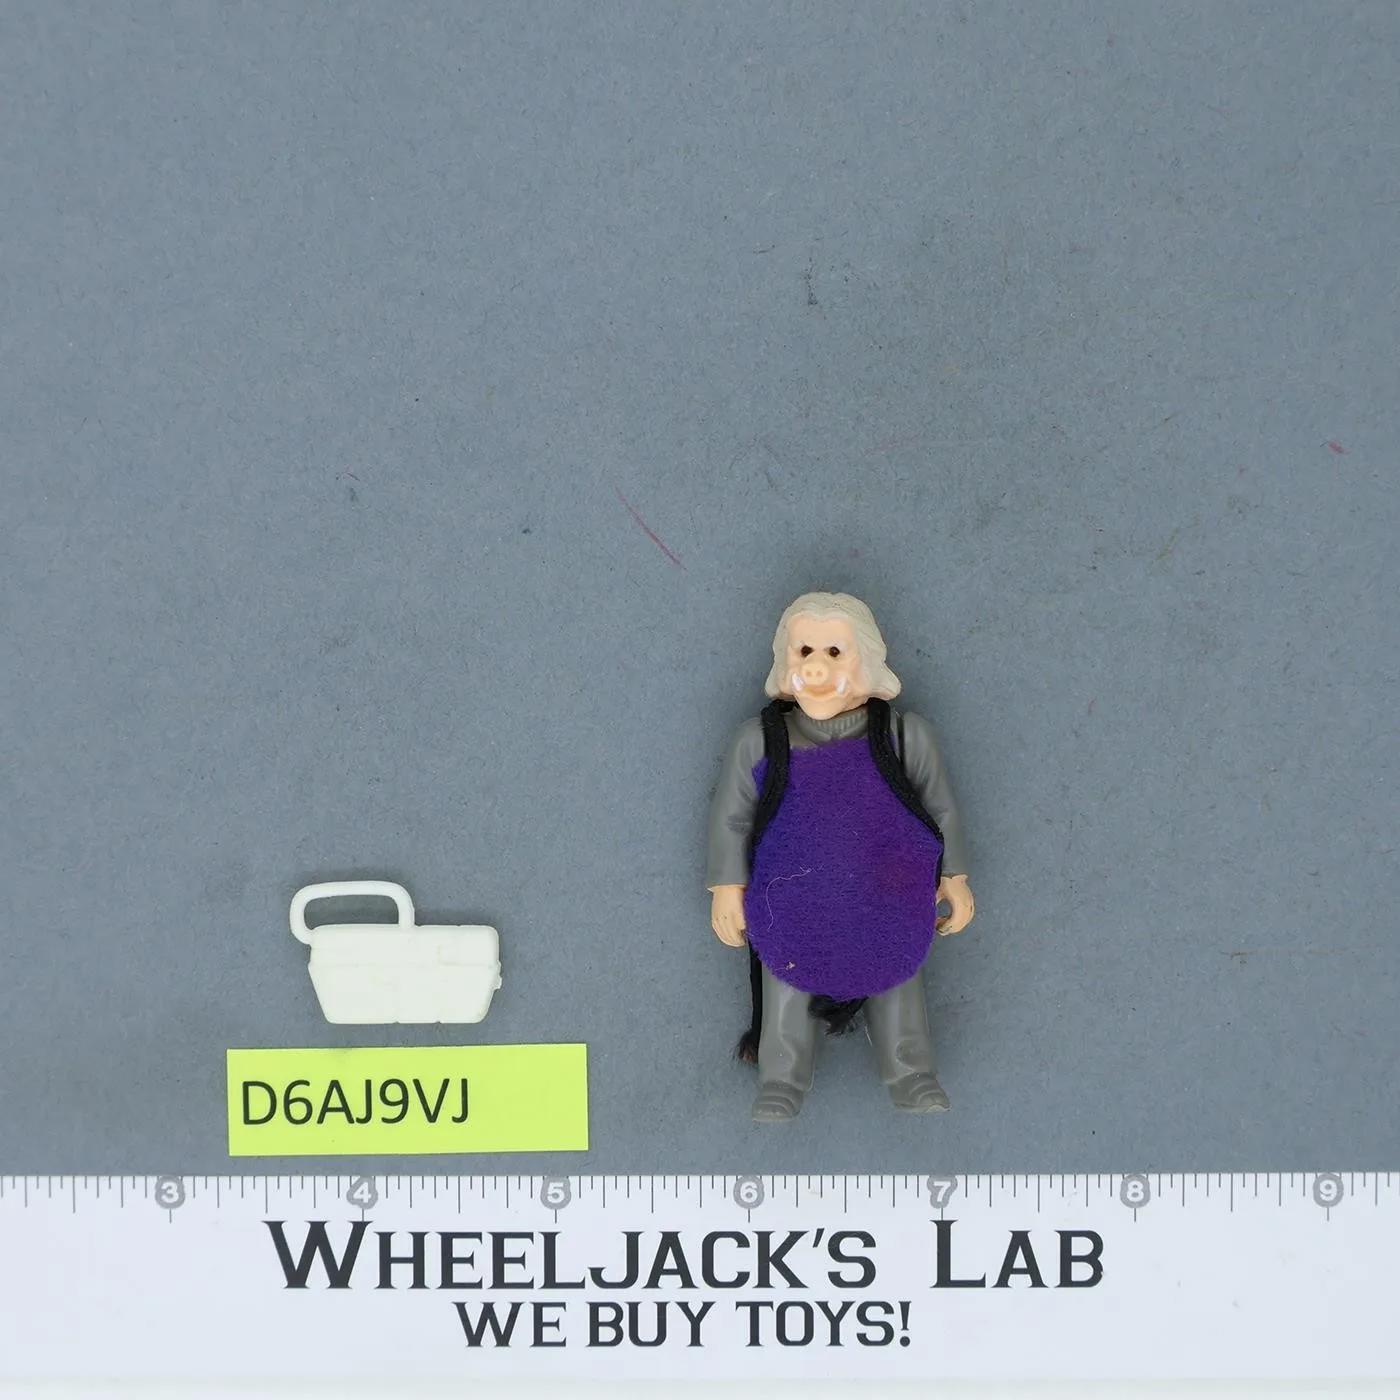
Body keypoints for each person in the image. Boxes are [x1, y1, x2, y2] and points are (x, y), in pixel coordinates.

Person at [706, 592, 975, 1121]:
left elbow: (941, 809)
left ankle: (911, 1072)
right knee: (786, 982)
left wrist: (954, 877)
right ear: (784, 661)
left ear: (868, 661)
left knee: (897, 980)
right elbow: (731, 818)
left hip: (890, 901)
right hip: (792, 905)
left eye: (835, 652)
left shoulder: (903, 738)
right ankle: (781, 1078)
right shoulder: (761, 742)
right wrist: (727, 888)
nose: (817, 667)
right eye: (804, 650)